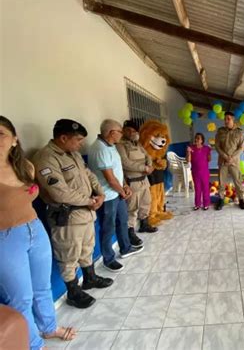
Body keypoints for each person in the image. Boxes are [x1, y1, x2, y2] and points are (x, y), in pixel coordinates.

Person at [0, 116, 76, 350]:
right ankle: (33, 344)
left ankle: (48, 327)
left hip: (35, 230)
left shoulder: (26, 167)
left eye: (0, 134)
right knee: (20, 298)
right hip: (6, 239)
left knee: (42, 287)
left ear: (14, 139)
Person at [33, 119, 113, 309]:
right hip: (67, 216)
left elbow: (90, 175)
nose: (81, 144)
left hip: (86, 212)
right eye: (78, 140)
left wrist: (100, 193)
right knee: (69, 254)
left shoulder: (74, 155)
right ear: (63, 138)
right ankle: (73, 291)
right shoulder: (46, 158)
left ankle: (89, 278)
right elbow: (58, 192)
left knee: (87, 248)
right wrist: (89, 201)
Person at [88, 119, 144, 273]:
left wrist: (125, 186)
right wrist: (122, 191)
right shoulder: (100, 149)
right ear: (112, 133)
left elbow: (118, 172)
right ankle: (108, 259)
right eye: (120, 131)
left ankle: (125, 248)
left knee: (122, 220)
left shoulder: (111, 146)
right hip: (107, 196)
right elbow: (110, 178)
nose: (122, 134)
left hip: (117, 192)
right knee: (108, 227)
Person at [116, 119, 156, 242]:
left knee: (146, 202)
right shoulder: (120, 145)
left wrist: (149, 165)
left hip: (144, 180)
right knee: (132, 208)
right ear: (124, 131)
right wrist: (144, 168)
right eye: (129, 130)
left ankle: (144, 224)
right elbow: (125, 163)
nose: (132, 133)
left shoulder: (137, 144)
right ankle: (130, 231)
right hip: (132, 181)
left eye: (134, 130)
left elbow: (147, 156)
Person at [214, 112, 244, 210]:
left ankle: (241, 200)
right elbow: (217, 146)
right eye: (225, 119)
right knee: (221, 182)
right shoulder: (220, 131)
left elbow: (241, 147)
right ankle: (221, 200)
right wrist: (225, 156)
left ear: (233, 120)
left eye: (228, 119)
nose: (226, 121)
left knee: (238, 182)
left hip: (234, 161)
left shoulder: (239, 132)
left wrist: (232, 157)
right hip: (223, 161)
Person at [186, 132, 211, 210]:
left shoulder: (206, 148)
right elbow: (188, 160)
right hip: (195, 172)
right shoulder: (191, 148)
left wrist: (209, 152)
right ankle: (197, 204)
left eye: (198, 138)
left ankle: (206, 204)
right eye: (196, 138)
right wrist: (188, 152)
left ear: (202, 140)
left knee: (205, 188)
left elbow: (209, 159)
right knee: (197, 188)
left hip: (205, 172)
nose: (196, 139)